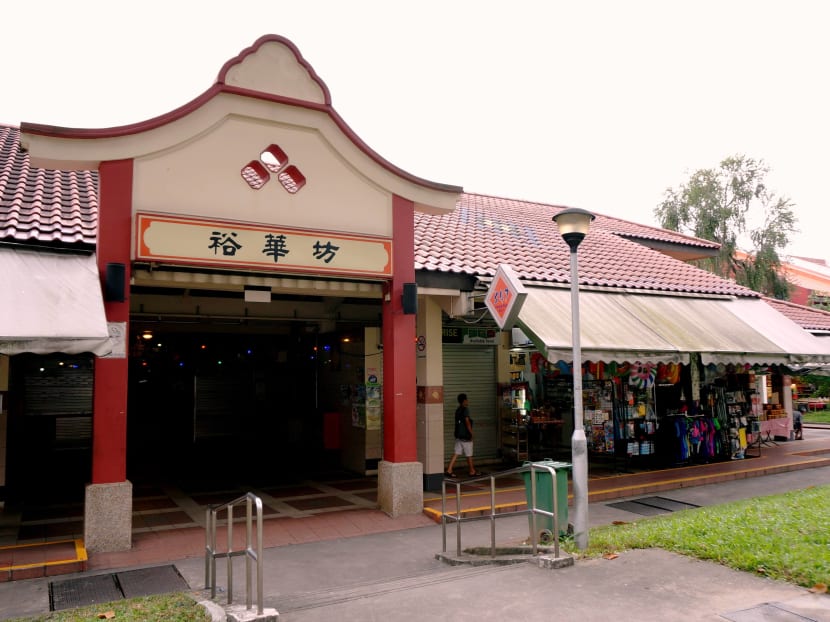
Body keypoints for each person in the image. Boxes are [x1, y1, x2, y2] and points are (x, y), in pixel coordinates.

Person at [446, 393, 479, 477]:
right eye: (466, 400)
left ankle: (449, 469)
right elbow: (467, 422)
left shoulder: (458, 410)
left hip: (458, 436)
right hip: (465, 436)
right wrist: (471, 433)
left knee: (456, 453)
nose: (467, 401)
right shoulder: (465, 409)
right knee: (469, 454)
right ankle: (472, 471)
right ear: (464, 401)